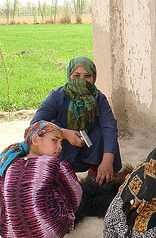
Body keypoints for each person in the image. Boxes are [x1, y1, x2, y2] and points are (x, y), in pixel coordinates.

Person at [0, 121, 82, 238]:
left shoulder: (9, 166)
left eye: (61, 143)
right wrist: (68, 214)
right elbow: (76, 193)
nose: (59, 147)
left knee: (11, 191)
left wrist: (3, 208)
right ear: (35, 140)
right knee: (62, 188)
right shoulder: (55, 165)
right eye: (54, 140)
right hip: (49, 232)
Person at [31, 56, 122, 185]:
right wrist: (64, 133)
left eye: (87, 76)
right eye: (76, 75)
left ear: (93, 78)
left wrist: (108, 159)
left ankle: (94, 174)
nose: (81, 80)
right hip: (64, 149)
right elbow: (36, 123)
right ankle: (64, 176)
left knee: (102, 132)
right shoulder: (57, 96)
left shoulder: (98, 98)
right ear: (69, 76)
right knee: (50, 132)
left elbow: (109, 126)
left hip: (89, 148)